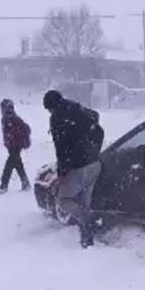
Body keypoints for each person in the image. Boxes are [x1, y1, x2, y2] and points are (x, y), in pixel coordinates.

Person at [43, 89, 104, 248]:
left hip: (78, 167)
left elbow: (61, 148)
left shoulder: (58, 118)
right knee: (84, 201)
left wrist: (62, 171)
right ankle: (87, 239)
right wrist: (94, 151)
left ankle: (89, 220)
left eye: (49, 109)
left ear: (52, 106)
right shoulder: (81, 111)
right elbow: (99, 130)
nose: (49, 112)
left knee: (64, 200)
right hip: (94, 163)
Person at [0, 99, 31, 192]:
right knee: (17, 164)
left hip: (15, 146)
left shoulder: (10, 118)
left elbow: (14, 132)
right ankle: (25, 183)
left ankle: (3, 185)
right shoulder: (10, 117)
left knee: (9, 165)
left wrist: (11, 140)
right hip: (13, 145)